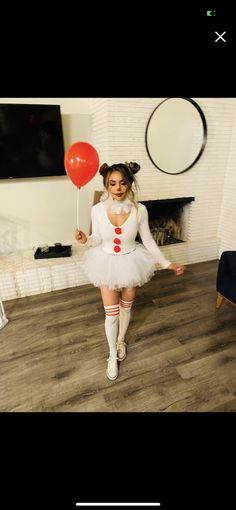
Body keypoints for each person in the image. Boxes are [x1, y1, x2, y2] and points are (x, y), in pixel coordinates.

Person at [75, 162, 185, 381]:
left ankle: (120, 341)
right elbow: (96, 238)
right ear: (106, 185)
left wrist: (166, 263)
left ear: (129, 184)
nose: (117, 188)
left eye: (123, 183)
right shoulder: (97, 209)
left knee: (126, 308)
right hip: (106, 263)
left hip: (131, 262)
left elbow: (148, 241)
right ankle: (111, 355)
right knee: (111, 314)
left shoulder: (139, 210)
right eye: (112, 183)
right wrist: (86, 239)